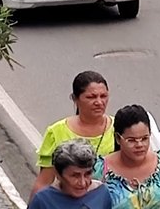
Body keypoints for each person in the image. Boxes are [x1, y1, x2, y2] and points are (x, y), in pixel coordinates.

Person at [30, 71, 115, 201]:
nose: (99, 102)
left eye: (103, 96)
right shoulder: (57, 132)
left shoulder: (118, 129)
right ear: (75, 99)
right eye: (91, 97)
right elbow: (44, 181)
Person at [94, 105, 160, 209]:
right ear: (118, 139)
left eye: (144, 138)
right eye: (131, 140)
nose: (139, 145)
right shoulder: (99, 171)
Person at [27, 140, 112, 209]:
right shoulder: (43, 200)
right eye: (75, 175)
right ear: (58, 174)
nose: (82, 183)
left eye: (87, 174)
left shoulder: (101, 193)